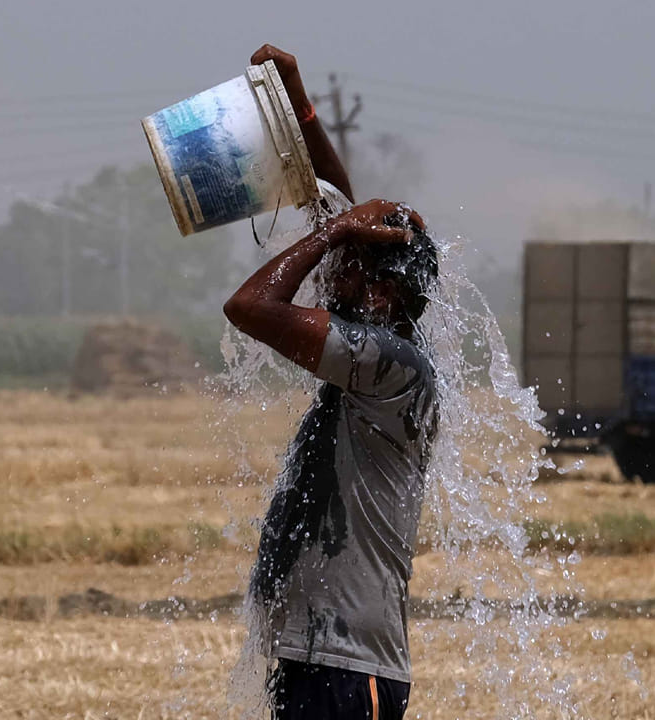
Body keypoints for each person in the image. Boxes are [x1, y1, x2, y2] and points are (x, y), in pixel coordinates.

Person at [223, 44, 440, 720]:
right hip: (317, 656)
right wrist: (298, 103)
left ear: (383, 294)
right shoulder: (378, 350)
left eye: (349, 266)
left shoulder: (390, 366)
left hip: (352, 670)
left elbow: (250, 308)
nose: (331, 275)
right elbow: (336, 205)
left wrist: (339, 228)